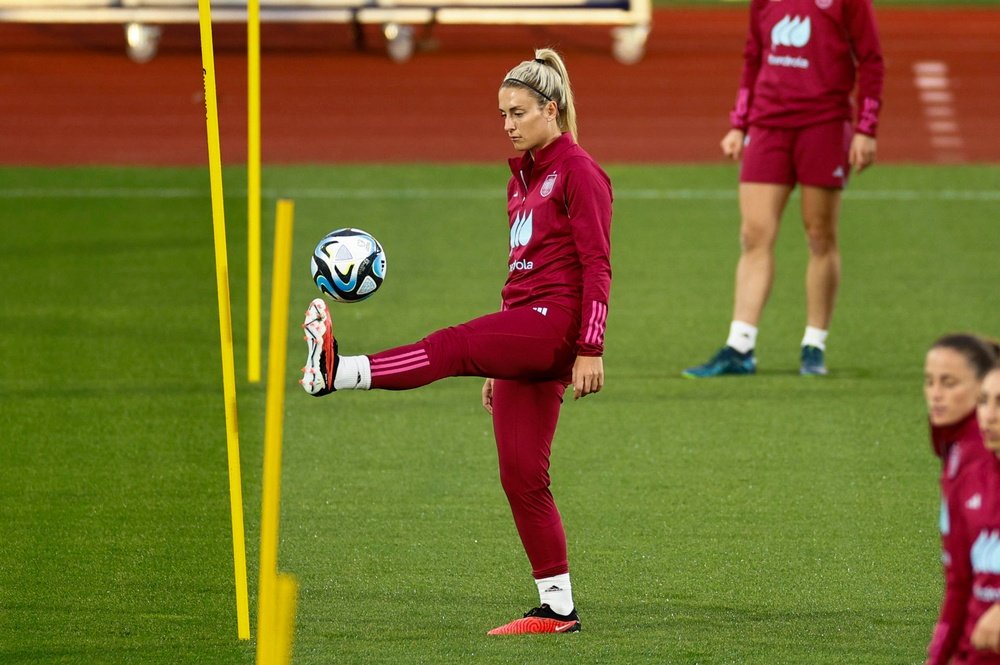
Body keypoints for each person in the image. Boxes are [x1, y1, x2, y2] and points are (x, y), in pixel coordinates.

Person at [300, 48, 612, 636]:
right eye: (502, 115)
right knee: (521, 475)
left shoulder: (579, 172)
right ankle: (558, 609)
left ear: (552, 108)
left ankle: (339, 371)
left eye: (518, 112)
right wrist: (500, 361)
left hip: (556, 326)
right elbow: (520, 271)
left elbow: (598, 265)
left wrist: (590, 347)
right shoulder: (522, 178)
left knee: (450, 346)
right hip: (525, 326)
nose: (508, 124)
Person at [682, 0, 885, 378]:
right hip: (768, 123)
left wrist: (866, 129)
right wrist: (739, 123)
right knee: (753, 234)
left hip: (824, 122)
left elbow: (871, 59)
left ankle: (814, 344)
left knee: (820, 235)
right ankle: (740, 346)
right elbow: (753, 56)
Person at [925, 335, 1000, 664]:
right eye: (929, 382)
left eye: (950, 382)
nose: (936, 395)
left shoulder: (977, 455)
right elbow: (959, 584)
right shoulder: (960, 459)